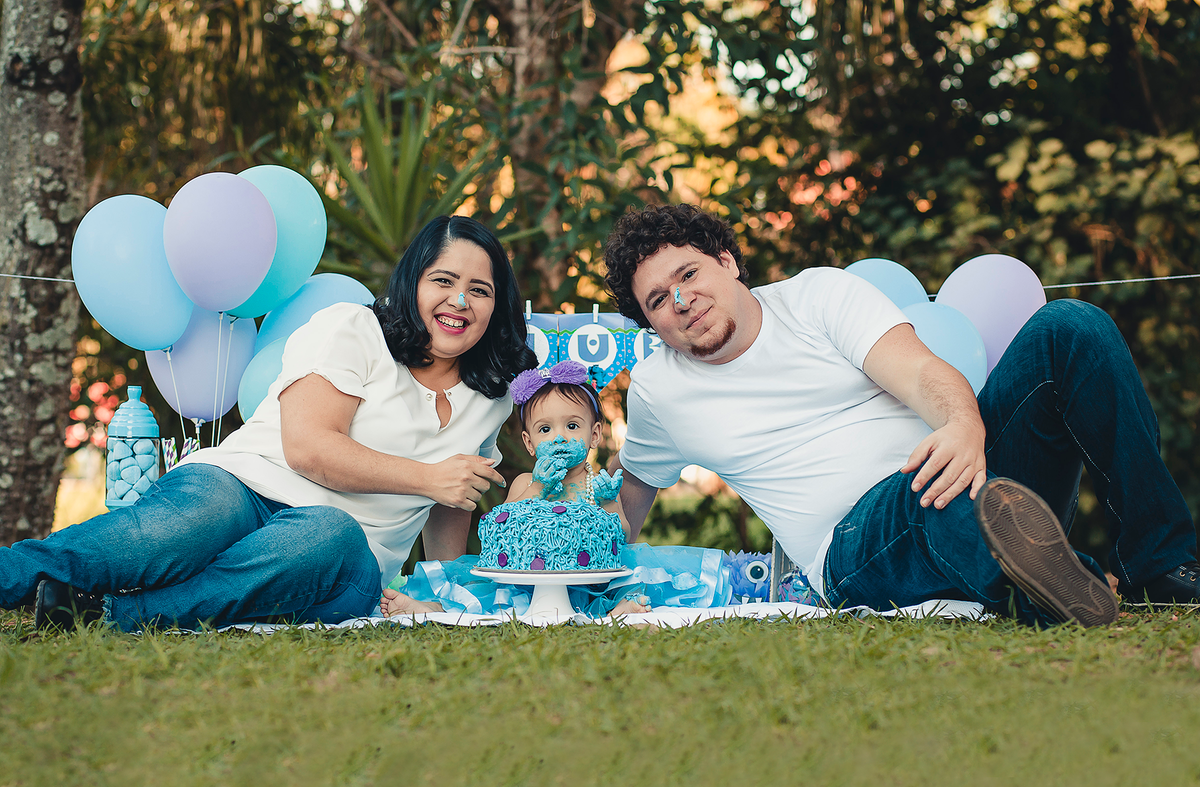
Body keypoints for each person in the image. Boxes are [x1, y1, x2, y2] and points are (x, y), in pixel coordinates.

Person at [602, 203, 1198, 627]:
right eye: (658, 301)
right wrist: (576, 572)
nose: (681, 300)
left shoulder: (818, 296)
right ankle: (1069, 587)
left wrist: (963, 425)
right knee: (929, 497)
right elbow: (630, 497)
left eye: (688, 274)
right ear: (650, 322)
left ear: (727, 261)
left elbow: (919, 372)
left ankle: (1161, 566)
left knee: (1070, 328)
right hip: (855, 549)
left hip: (969, 474)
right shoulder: (659, 391)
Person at [0, 215, 536, 631]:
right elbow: (308, 448)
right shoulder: (354, 328)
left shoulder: (492, 394)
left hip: (343, 558)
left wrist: (444, 597)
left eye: (480, 290)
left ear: (497, 305)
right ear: (413, 282)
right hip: (241, 486)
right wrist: (428, 477)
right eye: (443, 280)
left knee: (329, 533)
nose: (459, 300)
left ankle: (104, 615)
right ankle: (17, 577)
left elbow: (453, 496)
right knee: (186, 525)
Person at [380, 360, 729, 617]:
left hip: (590, 581)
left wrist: (610, 503)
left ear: (594, 435)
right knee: (486, 593)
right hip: (525, 581)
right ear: (529, 443)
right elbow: (504, 525)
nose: (559, 437)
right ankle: (431, 608)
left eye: (572, 426)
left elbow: (622, 536)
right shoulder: (525, 482)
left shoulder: (596, 484)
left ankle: (619, 609)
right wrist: (539, 486)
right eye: (545, 430)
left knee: (633, 581)